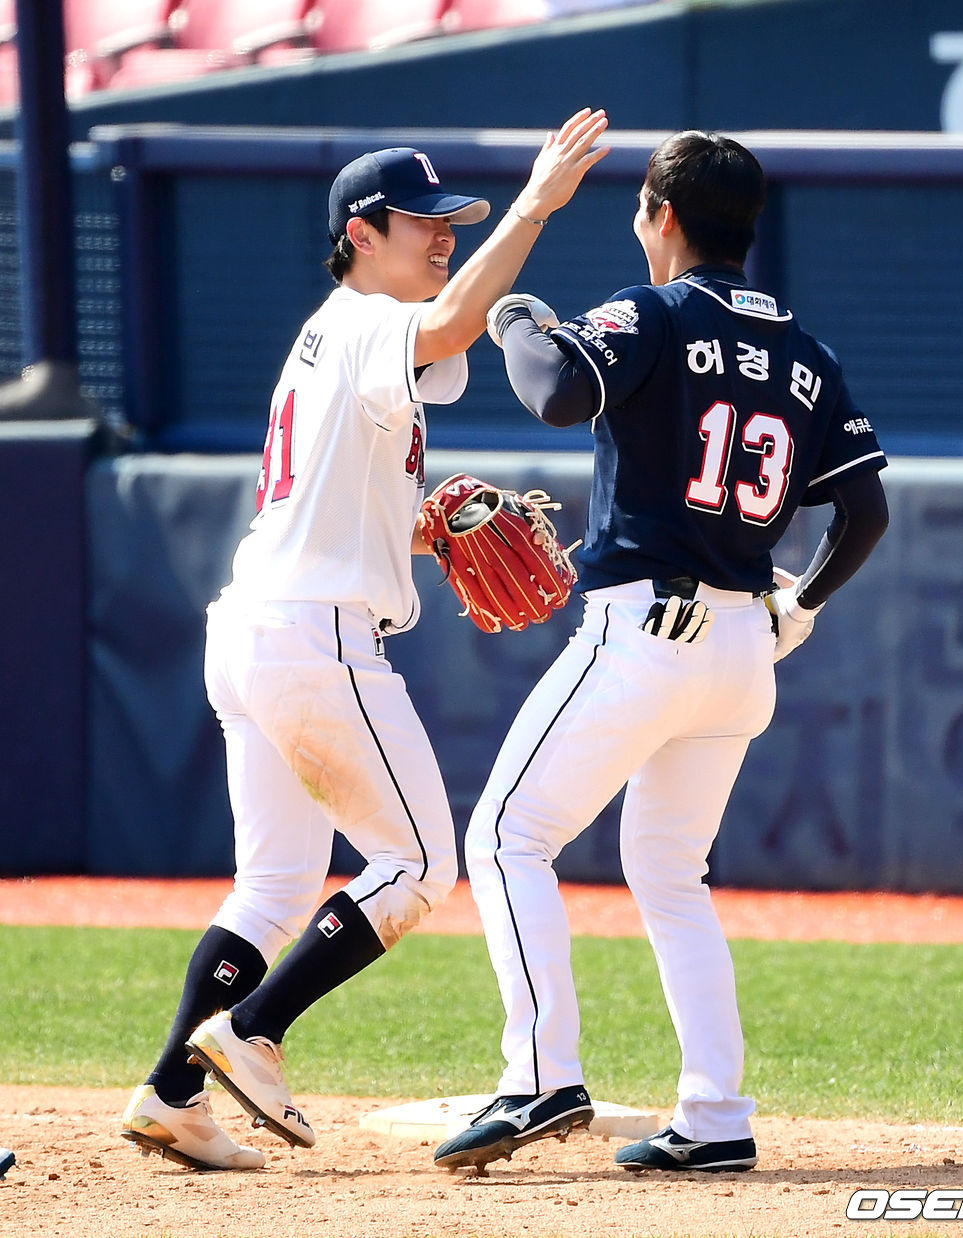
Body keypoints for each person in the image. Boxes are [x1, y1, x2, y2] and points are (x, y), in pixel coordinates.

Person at [121, 108, 609, 1172]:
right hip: (312, 640)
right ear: (359, 231)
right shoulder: (358, 323)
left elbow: (365, 459)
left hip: (256, 627)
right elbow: (447, 328)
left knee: (272, 885)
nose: (440, 236)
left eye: (451, 221)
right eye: (421, 222)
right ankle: (254, 1029)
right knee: (422, 861)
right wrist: (534, 204)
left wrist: (421, 532)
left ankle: (170, 1092)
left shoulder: (337, 339)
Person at [433, 130, 889, 1175]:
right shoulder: (805, 353)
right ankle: (715, 1113)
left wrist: (513, 316)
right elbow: (861, 508)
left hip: (645, 629)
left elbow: (554, 390)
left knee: (505, 837)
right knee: (671, 873)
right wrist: (800, 603)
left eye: (642, 207)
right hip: (740, 648)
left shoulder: (648, 312)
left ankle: (541, 1073)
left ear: (662, 214)